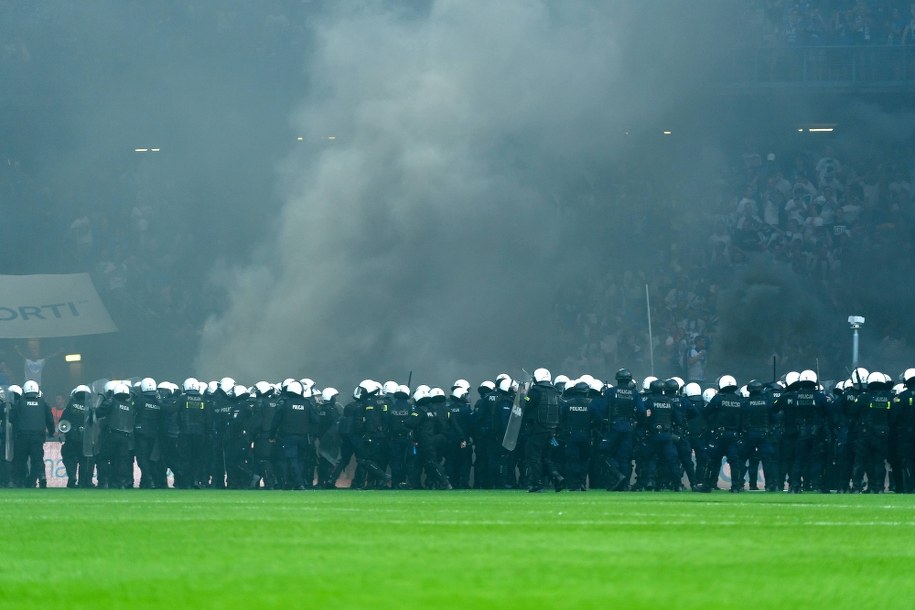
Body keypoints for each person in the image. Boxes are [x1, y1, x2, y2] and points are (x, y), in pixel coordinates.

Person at [591, 368, 644, 491]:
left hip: (614, 426)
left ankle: (617, 476)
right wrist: (638, 423)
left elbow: (600, 408)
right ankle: (624, 484)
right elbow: (641, 410)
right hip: (628, 427)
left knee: (603, 452)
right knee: (625, 457)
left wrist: (602, 420)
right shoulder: (634, 393)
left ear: (617, 379)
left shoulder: (610, 392)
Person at [521, 368, 563, 492]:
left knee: (534, 457)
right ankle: (556, 476)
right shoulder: (555, 392)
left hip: (537, 430)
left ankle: (537, 484)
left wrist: (523, 394)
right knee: (546, 457)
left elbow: (526, 404)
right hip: (551, 431)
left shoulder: (535, 392)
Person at [703, 375, 745, 492]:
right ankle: (736, 487)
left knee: (712, 460)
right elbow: (743, 419)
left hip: (719, 435)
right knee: (734, 461)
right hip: (734, 435)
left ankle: (707, 486)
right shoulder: (739, 399)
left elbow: (706, 412)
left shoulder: (718, 398)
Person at [11, 380, 54, 488]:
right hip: (38, 437)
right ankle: (31, 481)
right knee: (37, 460)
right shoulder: (43, 403)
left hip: (22, 436)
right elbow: (50, 419)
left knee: (21, 460)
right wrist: (52, 432)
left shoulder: (19, 402)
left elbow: (12, 418)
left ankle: (21, 481)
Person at [60, 384, 95, 488]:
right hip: (85, 438)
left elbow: (63, 421)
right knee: (84, 460)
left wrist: (63, 433)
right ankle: (81, 482)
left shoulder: (70, 405)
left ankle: (72, 477)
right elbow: (93, 423)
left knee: (68, 457)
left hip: (71, 437)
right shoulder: (90, 408)